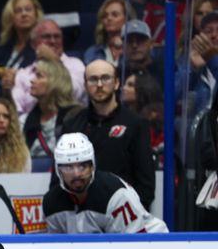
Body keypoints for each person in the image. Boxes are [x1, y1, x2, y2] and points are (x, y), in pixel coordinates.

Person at [61, 59, 156, 210]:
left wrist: (132, 215)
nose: (99, 85)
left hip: (124, 216)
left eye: (105, 78)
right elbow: (59, 179)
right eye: (93, 79)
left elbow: (146, 184)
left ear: (117, 83)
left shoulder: (135, 123)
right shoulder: (72, 124)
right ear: (85, 85)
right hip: (82, 216)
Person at [43, 132, 167, 233]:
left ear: (93, 166)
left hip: (152, 246)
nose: (76, 174)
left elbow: (133, 246)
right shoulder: (51, 203)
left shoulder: (116, 195)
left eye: (83, 166)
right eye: (68, 167)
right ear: (58, 171)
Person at [10, 19, 86, 116]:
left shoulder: (76, 64)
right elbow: (17, 109)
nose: (53, 41)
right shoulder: (23, 74)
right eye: (46, 37)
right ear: (34, 44)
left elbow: (73, 93)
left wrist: (54, 60)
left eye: (57, 36)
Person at [22, 59, 80, 160]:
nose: (32, 80)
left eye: (39, 76)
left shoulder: (75, 116)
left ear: (56, 82)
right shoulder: (27, 120)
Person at [0, 0, 43, 72]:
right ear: (10, 17)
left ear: (36, 14)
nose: (24, 14)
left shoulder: (42, 45)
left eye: (28, 9)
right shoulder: (4, 47)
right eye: (18, 11)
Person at [83, 0, 135, 66]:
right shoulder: (92, 52)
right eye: (105, 15)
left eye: (115, 15)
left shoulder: (135, 50)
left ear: (127, 19)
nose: (109, 18)